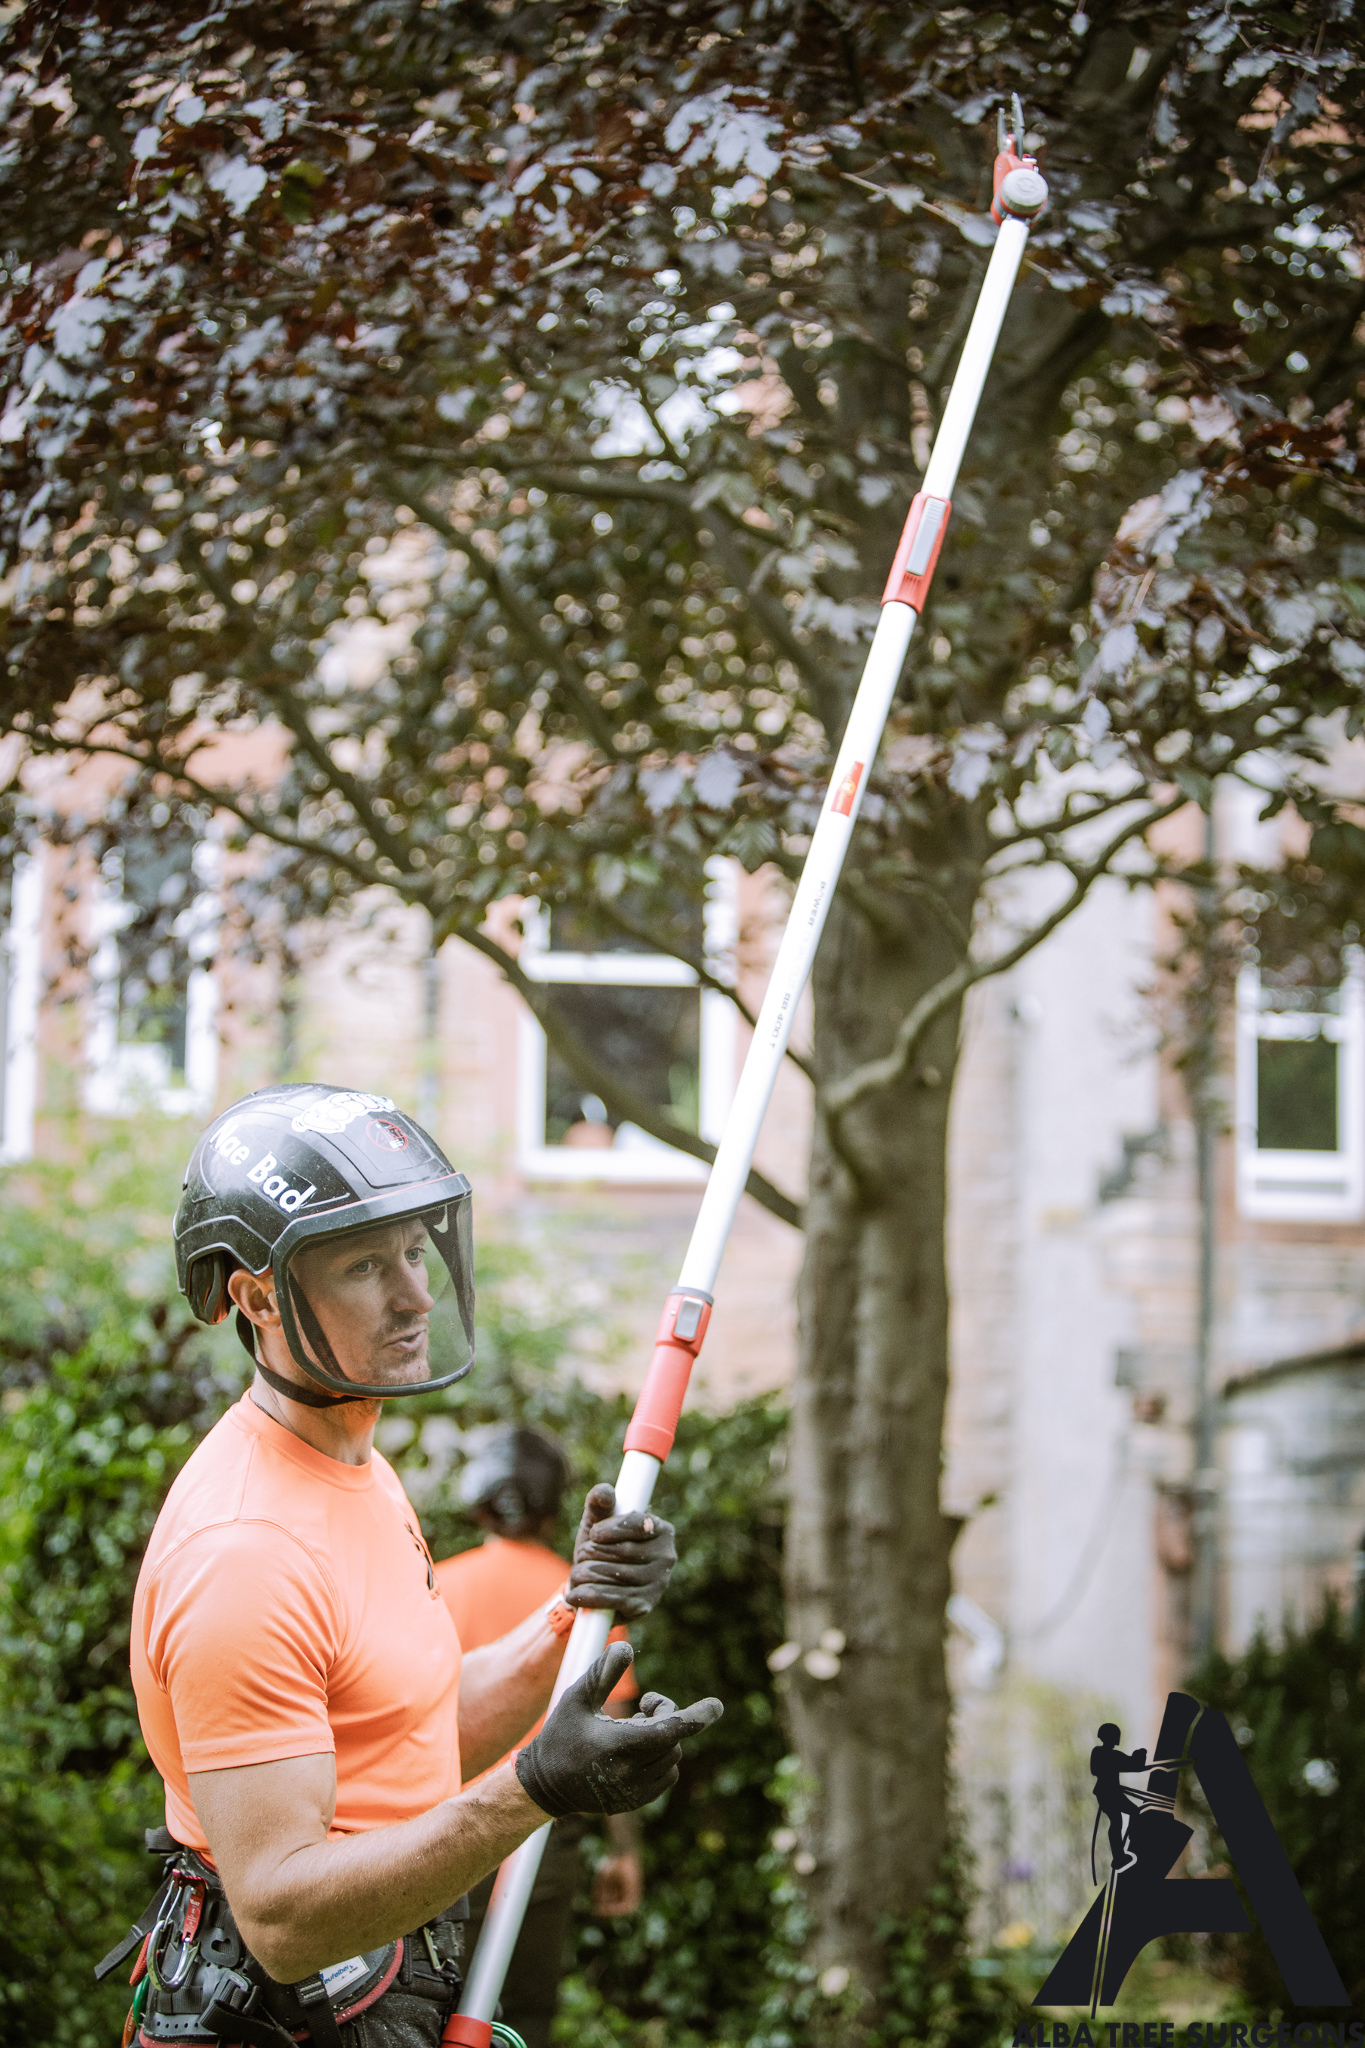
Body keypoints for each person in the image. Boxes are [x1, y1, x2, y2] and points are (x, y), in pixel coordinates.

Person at [102, 1084, 722, 2048]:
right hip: (292, 2014)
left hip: (386, 1986)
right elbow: (281, 1918)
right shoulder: (245, 1552)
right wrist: (535, 1790)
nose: (416, 1293)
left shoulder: (355, 1463)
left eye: (414, 1247)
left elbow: (412, 1724)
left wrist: (576, 1604)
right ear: (257, 1297)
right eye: (362, 1264)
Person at [436, 1428, 645, 2048]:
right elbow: (616, 1729)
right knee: (523, 2016)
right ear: (557, 1509)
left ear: (476, 1503)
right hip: (541, 1835)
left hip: (435, 1833)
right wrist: (624, 1851)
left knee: (426, 2000)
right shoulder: (588, 1599)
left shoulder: (435, 1586)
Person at [1090, 1722, 1147, 1878]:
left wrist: (1140, 1756)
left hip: (1113, 1792)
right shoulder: (1100, 1752)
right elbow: (1095, 1769)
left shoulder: (1114, 1755)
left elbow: (1134, 1766)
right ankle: (1120, 1855)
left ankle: (1129, 1845)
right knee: (1118, 1820)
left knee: (1130, 1814)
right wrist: (1135, 1759)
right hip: (1106, 1793)